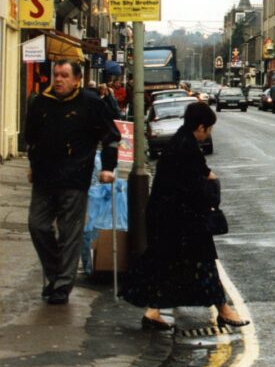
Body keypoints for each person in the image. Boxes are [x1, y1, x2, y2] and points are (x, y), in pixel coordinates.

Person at [121, 102, 249, 331]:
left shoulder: (180, 142)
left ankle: (153, 311)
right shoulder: (187, 147)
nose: (209, 133)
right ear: (200, 127)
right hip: (180, 219)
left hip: (168, 216)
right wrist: (211, 199)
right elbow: (199, 181)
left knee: (165, 263)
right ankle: (223, 309)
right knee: (204, 262)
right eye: (209, 129)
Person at [26, 60, 120, 305]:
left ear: (77, 80)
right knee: (37, 225)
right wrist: (32, 165)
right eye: (56, 75)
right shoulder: (40, 102)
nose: (58, 80)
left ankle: (61, 286)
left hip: (74, 176)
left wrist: (108, 167)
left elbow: (111, 136)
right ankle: (56, 272)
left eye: (64, 75)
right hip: (45, 177)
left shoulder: (91, 104)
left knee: (69, 233)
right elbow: (31, 137)